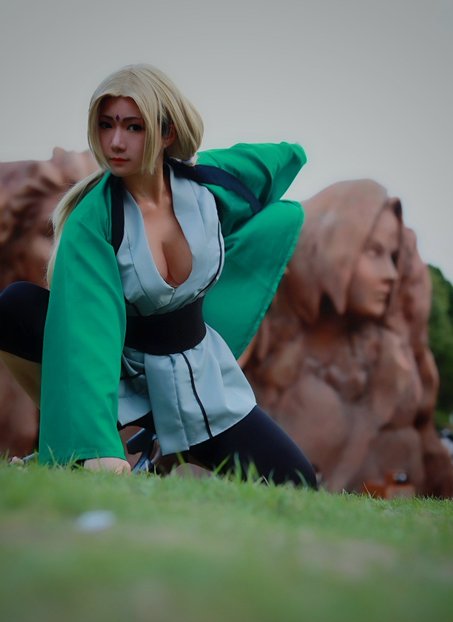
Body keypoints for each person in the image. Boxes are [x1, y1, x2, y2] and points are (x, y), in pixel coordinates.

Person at [0, 64, 317, 488]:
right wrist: (97, 450)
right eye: (107, 125)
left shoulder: (209, 186)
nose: (116, 141)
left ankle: (162, 446)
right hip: (121, 370)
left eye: (134, 127)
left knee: (297, 481)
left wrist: (295, 163)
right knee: (17, 306)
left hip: (203, 379)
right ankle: (72, 448)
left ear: (166, 133)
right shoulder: (93, 222)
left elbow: (275, 163)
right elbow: (87, 337)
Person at [244, 179, 453, 497]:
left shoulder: (390, 364)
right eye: (374, 252)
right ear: (333, 244)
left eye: (393, 256)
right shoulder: (260, 325)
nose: (390, 274)